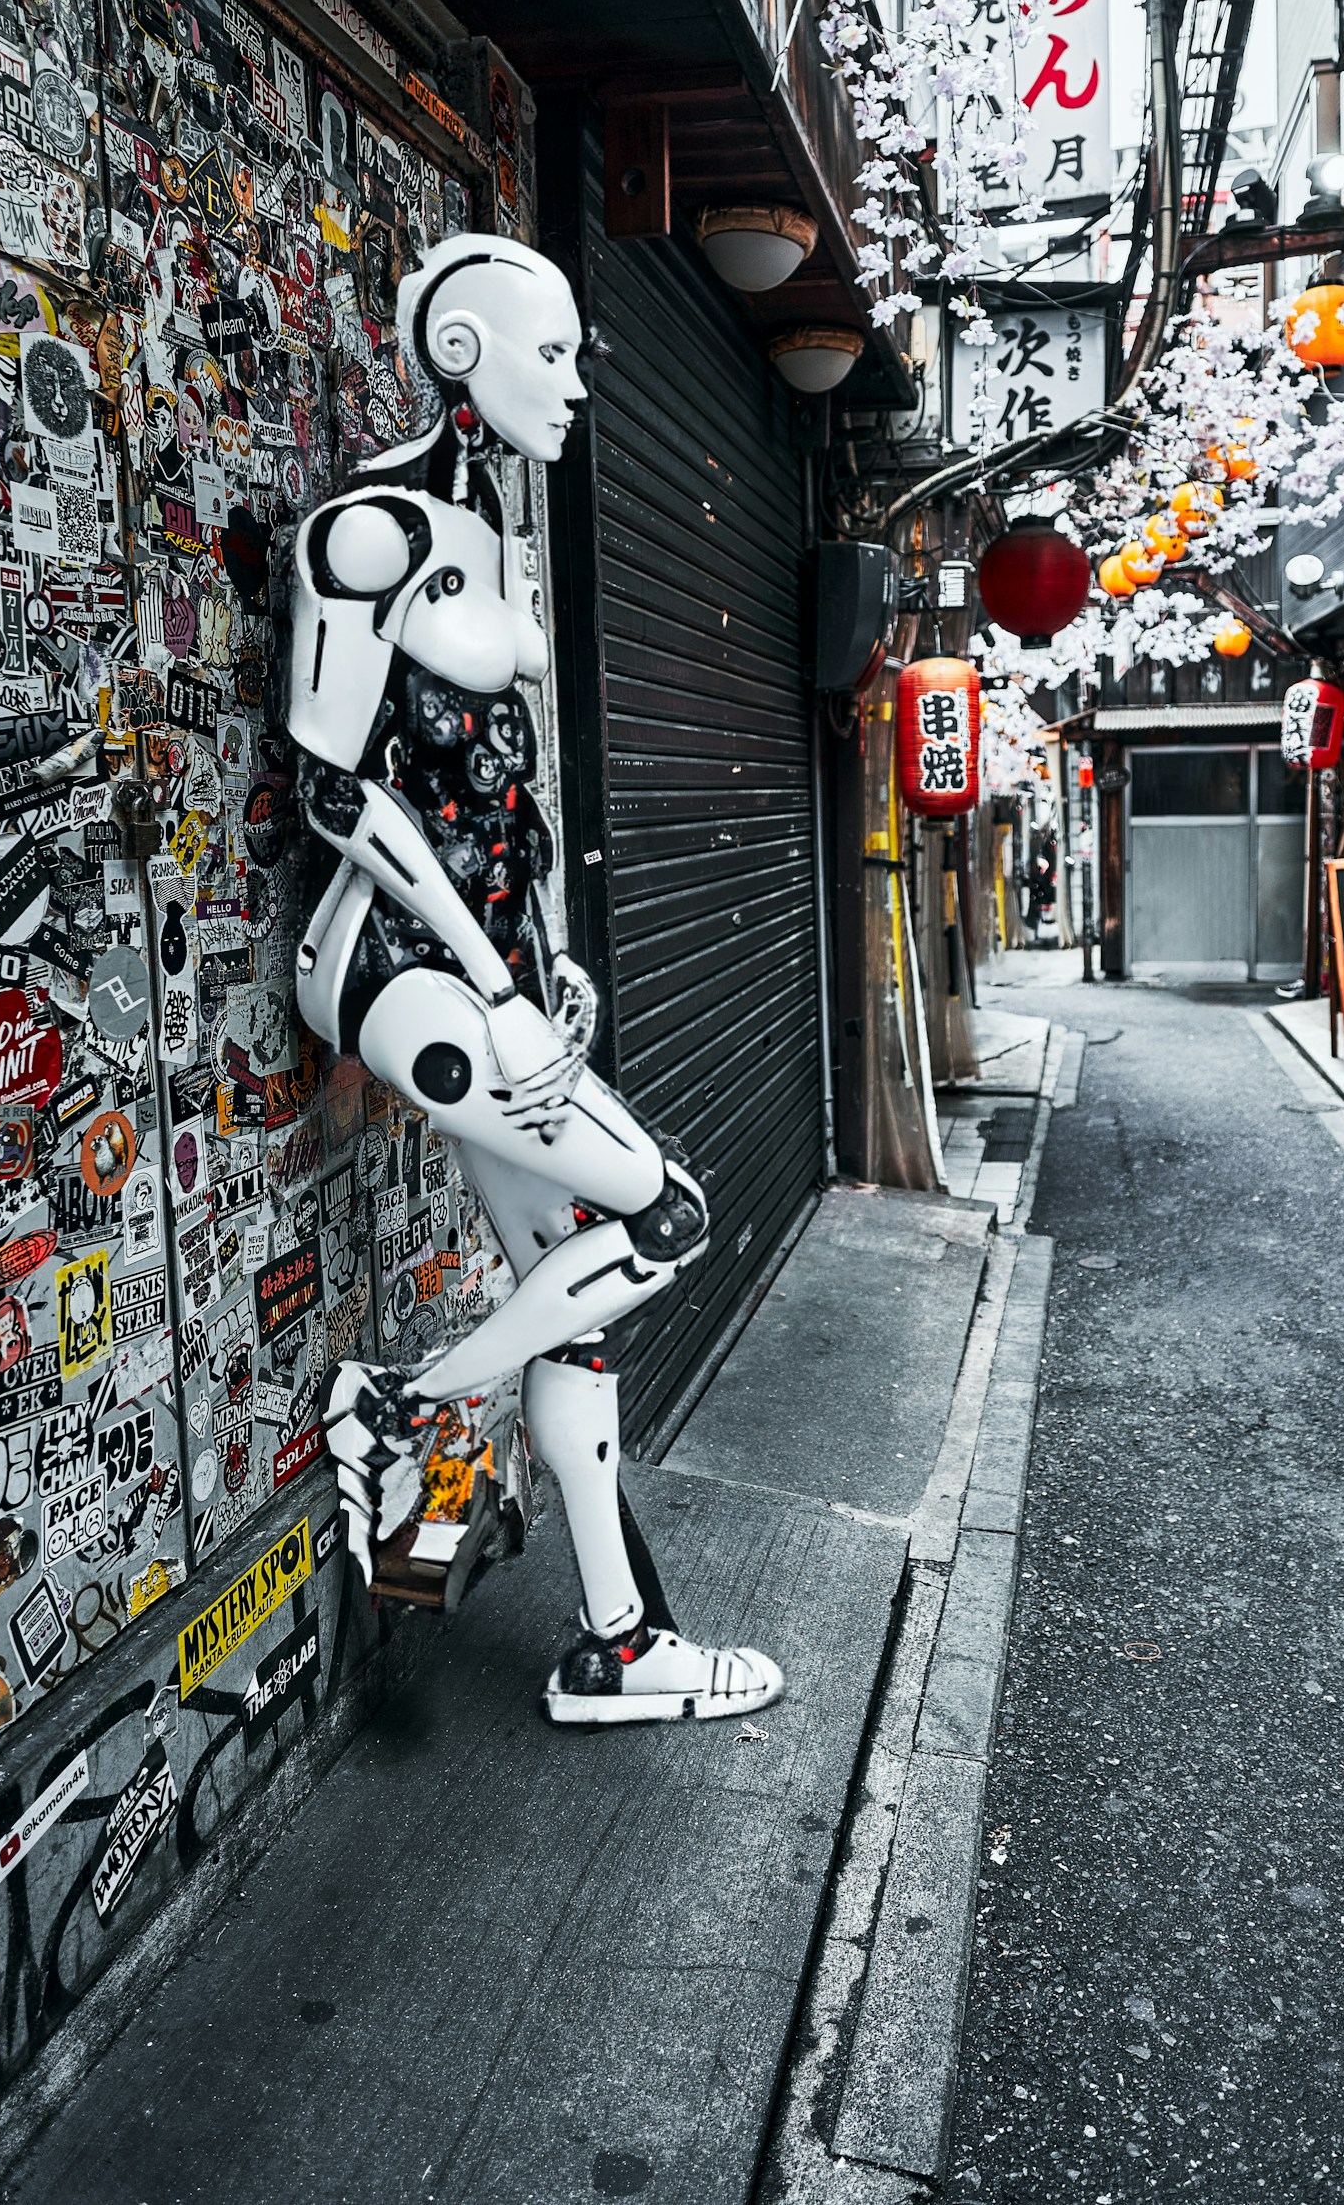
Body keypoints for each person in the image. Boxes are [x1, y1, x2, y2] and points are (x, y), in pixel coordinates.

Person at [300, 234, 781, 1728]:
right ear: (462, 354)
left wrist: (550, 945)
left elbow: (520, 781)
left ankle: (617, 1643)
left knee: (566, 1303)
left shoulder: (497, 541)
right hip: (396, 970)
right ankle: (402, 1402)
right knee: (668, 1210)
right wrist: (483, 973)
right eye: (553, 352)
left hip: (497, 968)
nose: (579, 384)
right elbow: (330, 785)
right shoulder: (367, 535)